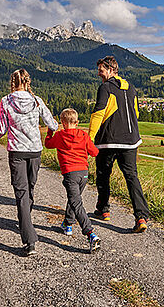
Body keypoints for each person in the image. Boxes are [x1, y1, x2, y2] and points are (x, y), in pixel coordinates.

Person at [0, 68, 58, 256]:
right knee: (30, 188)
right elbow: (52, 123)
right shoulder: (37, 101)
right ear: (28, 82)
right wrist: (54, 128)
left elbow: (2, 128)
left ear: (13, 82)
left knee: (21, 193)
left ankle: (29, 238)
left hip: (17, 152)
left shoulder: (6, 101)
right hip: (35, 151)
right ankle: (26, 224)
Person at [88, 56, 150, 233]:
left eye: (101, 70)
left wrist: (89, 138)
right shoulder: (131, 87)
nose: (99, 74)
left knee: (102, 174)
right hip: (131, 140)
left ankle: (103, 209)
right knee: (132, 177)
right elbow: (135, 112)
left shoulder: (105, 88)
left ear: (110, 69)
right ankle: (141, 217)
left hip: (108, 140)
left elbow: (98, 114)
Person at [44, 108, 101, 253]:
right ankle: (68, 224)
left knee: (76, 202)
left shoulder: (60, 135)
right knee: (74, 199)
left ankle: (90, 233)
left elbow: (48, 144)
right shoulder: (83, 135)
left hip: (70, 174)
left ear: (62, 123)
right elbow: (94, 152)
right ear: (77, 122)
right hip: (84, 173)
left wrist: (50, 130)